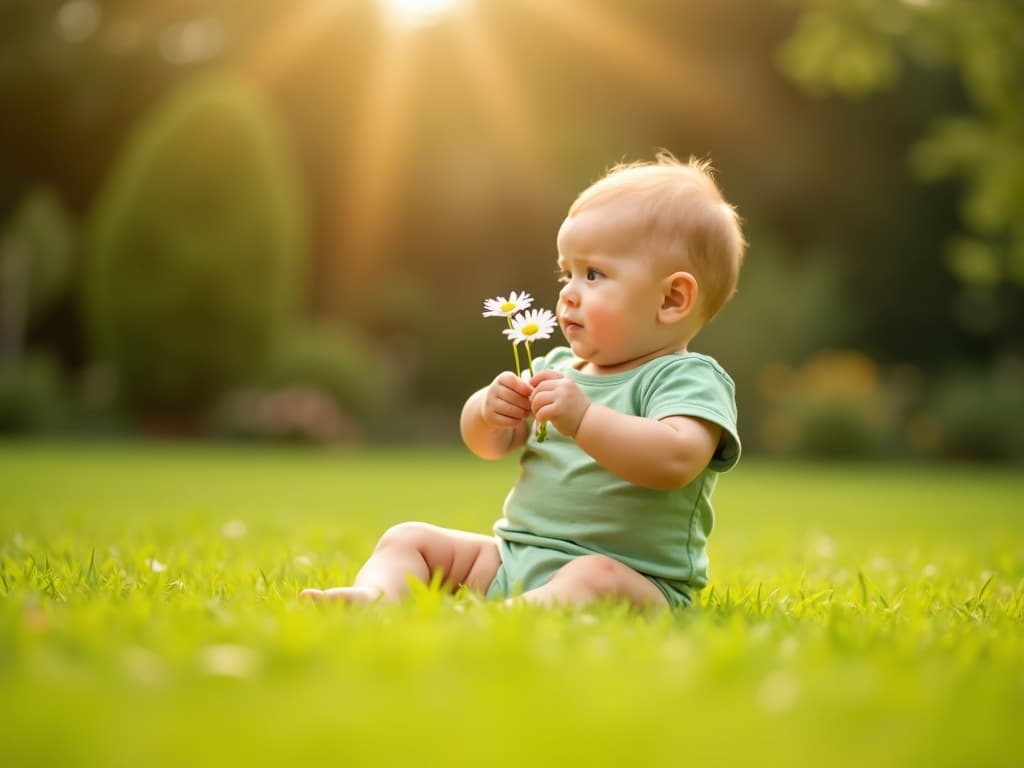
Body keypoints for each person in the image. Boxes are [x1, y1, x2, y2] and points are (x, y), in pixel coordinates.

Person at [301, 152, 745, 609]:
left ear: (672, 298)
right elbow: (488, 445)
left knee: (594, 576)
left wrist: (585, 418)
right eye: (566, 273)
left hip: (630, 578)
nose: (568, 292)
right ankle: (375, 598)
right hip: (513, 557)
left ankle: (509, 618)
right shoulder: (554, 367)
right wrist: (488, 412)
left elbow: (674, 460)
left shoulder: (686, 379)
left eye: (594, 274)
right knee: (409, 538)